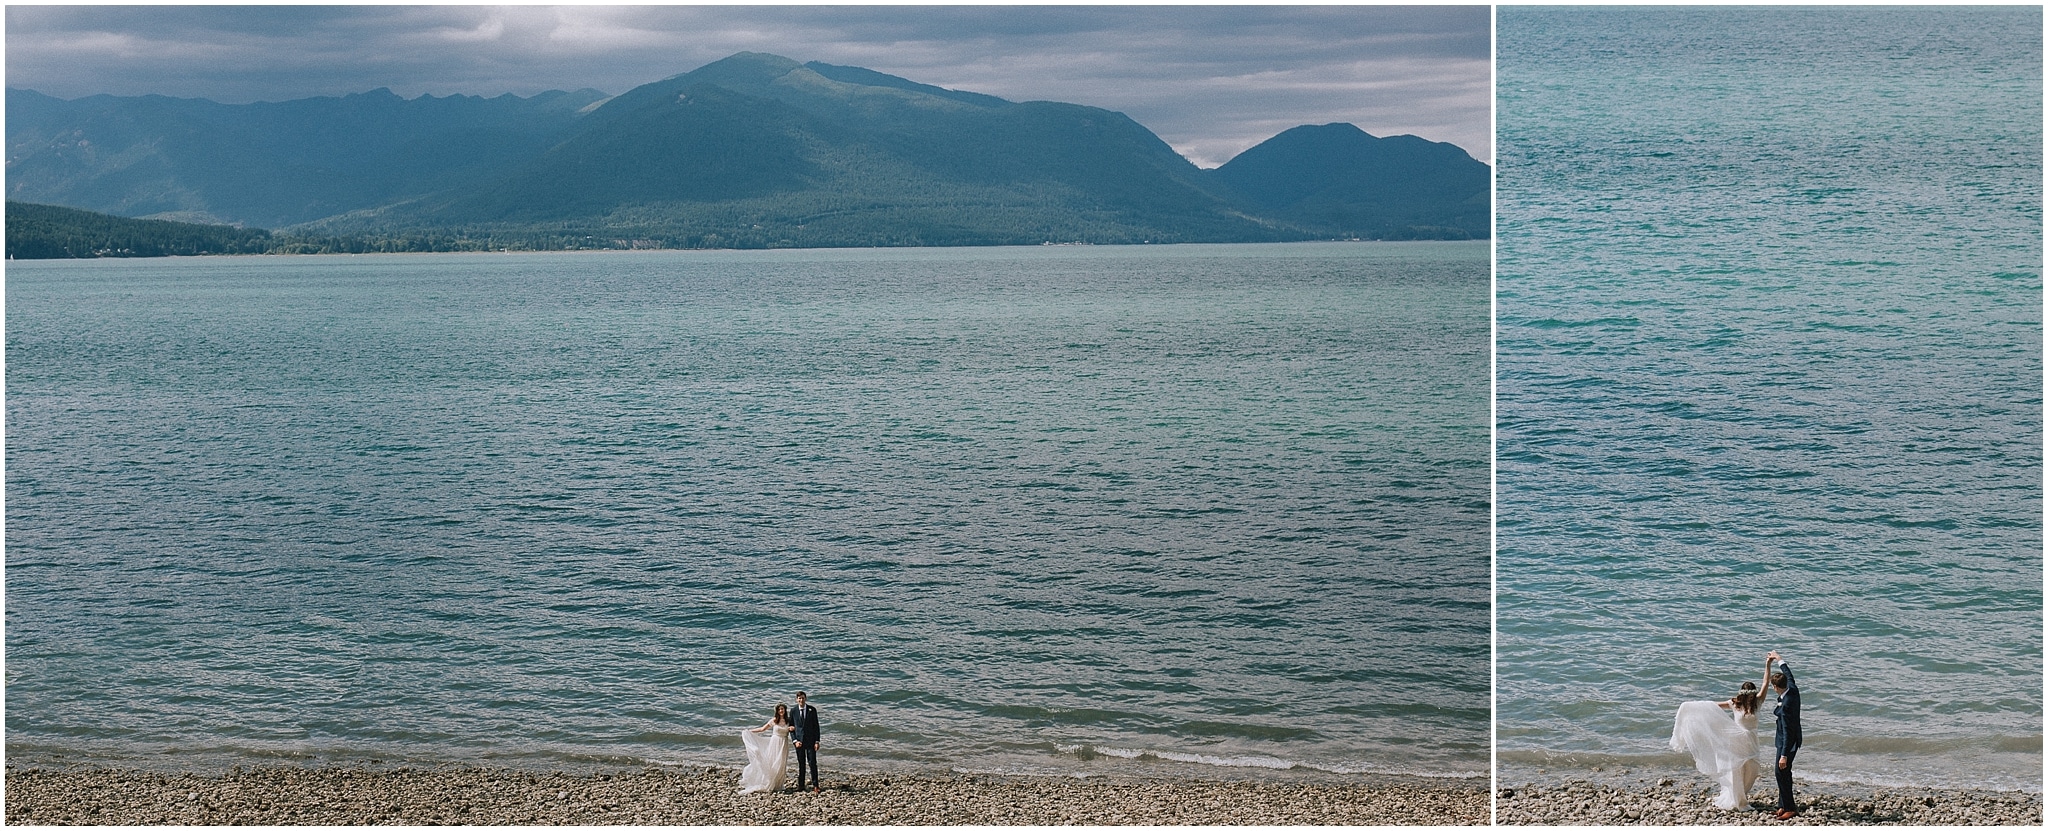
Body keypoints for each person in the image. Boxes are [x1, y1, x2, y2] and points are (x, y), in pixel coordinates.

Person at [1669, 680, 1764, 809]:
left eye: (1752, 696)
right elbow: (1713, 706)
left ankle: (1742, 793)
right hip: (1737, 740)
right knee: (1736, 770)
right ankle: (1739, 800)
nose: (1751, 698)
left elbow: (1765, 684)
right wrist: (1691, 706)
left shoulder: (1757, 703)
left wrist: (1768, 665)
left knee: (1753, 769)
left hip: (1752, 742)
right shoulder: (1734, 703)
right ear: (1743, 695)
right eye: (1749, 696)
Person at [1767, 651, 1801, 819]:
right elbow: (1789, 673)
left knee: (1782, 772)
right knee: (1782, 773)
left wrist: (1784, 756)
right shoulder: (1792, 688)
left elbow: (1787, 732)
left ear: (1776, 688)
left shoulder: (1786, 706)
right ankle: (1782, 805)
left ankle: (1790, 807)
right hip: (1791, 738)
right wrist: (1779, 659)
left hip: (1787, 742)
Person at [736, 703, 792, 794]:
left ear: (785, 710)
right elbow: (762, 729)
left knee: (781, 764)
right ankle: (770, 783)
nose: (781, 711)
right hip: (774, 742)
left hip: (783, 743)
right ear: (777, 711)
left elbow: (794, 728)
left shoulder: (788, 720)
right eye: (779, 709)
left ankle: (778, 785)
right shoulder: (774, 720)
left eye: (782, 709)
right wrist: (749, 731)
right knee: (772, 762)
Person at [790, 691, 821, 793]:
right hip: (799, 742)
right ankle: (801, 785)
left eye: (802, 698)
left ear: (805, 699)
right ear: (796, 699)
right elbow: (791, 728)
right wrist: (795, 741)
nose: (801, 700)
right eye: (799, 698)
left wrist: (817, 741)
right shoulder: (793, 711)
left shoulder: (812, 710)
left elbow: (816, 727)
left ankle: (816, 785)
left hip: (811, 741)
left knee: (812, 763)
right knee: (801, 764)